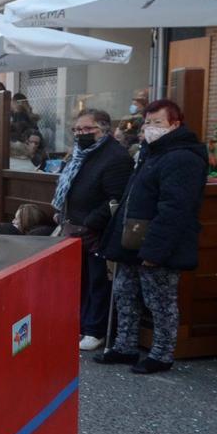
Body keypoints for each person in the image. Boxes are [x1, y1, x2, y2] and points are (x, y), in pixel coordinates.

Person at [95, 99, 208, 374]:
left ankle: (162, 353)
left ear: (175, 124)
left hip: (158, 243)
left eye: (158, 122)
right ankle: (125, 346)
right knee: (125, 293)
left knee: (160, 301)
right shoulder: (149, 153)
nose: (150, 127)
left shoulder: (182, 157)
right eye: (148, 121)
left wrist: (155, 251)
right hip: (131, 239)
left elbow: (175, 209)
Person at [52, 109, 133, 351]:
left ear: (104, 129)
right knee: (80, 279)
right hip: (73, 225)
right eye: (77, 129)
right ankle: (80, 323)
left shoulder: (115, 156)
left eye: (88, 129)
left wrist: (90, 223)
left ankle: (95, 330)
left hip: (97, 230)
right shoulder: (80, 154)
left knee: (98, 280)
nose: (81, 133)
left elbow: (115, 198)